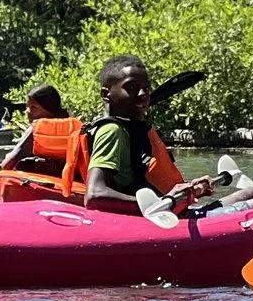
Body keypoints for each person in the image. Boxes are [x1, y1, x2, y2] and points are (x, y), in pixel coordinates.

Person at [69, 56, 215, 215]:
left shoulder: (129, 128)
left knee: (247, 193)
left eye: (146, 88)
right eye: (131, 87)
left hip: (168, 212)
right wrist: (164, 202)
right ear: (106, 95)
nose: (143, 94)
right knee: (247, 204)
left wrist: (190, 190)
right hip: (156, 218)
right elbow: (94, 196)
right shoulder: (112, 131)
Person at [0, 85, 85, 195]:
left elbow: (6, 165)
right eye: (27, 107)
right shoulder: (75, 128)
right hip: (73, 187)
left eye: (33, 107)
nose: (28, 111)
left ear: (50, 110)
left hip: (43, 188)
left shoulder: (35, 130)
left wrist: (7, 156)